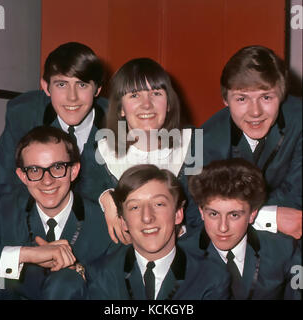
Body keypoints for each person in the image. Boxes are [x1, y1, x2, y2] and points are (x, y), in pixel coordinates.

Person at [79, 164, 230, 300]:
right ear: (123, 221)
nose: (147, 217)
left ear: (178, 214)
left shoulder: (211, 278)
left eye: (158, 204)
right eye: (135, 207)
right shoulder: (101, 275)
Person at [0, 126, 113, 299]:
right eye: (35, 170)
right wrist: (26, 254)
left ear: (73, 171)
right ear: (22, 176)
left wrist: (79, 273)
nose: (47, 181)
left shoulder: (104, 222)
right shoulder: (3, 211)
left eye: (57, 167)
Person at [96, 57, 204, 243]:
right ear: (121, 108)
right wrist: (105, 197)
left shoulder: (195, 144)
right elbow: (85, 189)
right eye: (134, 95)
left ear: (169, 103)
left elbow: (202, 214)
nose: (147, 104)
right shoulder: (102, 150)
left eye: (156, 93)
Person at [202, 45, 302, 239]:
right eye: (242, 99)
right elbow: (195, 213)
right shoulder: (203, 139)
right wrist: (268, 216)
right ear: (225, 99)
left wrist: (232, 211)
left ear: (281, 95)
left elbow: (297, 198)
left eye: (266, 97)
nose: (255, 112)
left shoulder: (300, 120)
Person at [0, 42, 109, 203]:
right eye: (62, 84)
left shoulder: (120, 122)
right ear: (46, 87)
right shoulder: (23, 114)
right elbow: (4, 187)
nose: (72, 97)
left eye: (82, 85)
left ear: (97, 89)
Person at [188, 158, 301, 300]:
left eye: (234, 215)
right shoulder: (181, 255)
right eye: (214, 214)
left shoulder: (284, 250)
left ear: (252, 214)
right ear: (201, 212)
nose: (223, 227)